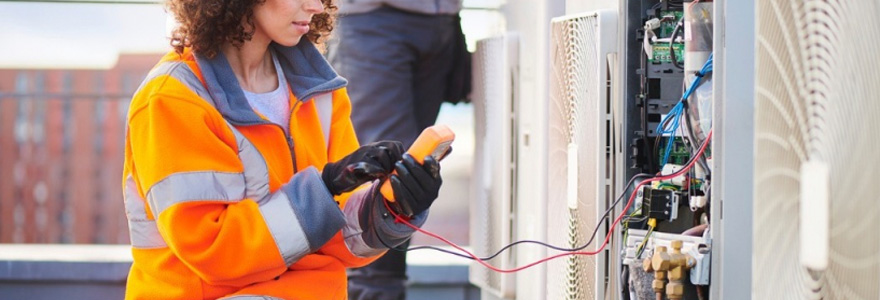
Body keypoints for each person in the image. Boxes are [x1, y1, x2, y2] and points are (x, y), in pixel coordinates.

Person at [121, 0, 443, 299]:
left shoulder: (321, 93)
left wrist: (392, 205)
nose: (316, 6)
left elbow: (341, 242)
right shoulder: (172, 100)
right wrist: (323, 189)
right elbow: (215, 250)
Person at [327, 1, 469, 299]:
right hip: (373, 20)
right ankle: (374, 290)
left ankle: (380, 287)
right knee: (388, 173)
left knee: (416, 170)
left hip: (441, 18)